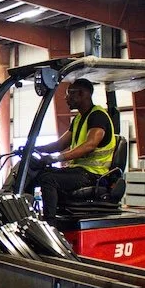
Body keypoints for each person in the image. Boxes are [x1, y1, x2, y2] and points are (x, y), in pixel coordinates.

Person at [29, 78, 115, 220]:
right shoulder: (78, 119)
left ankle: (50, 224)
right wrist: (33, 148)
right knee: (35, 173)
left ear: (81, 94)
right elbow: (60, 144)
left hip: (93, 174)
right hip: (78, 171)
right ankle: (28, 216)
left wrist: (58, 158)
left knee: (49, 179)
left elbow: (90, 145)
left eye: (69, 94)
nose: (66, 97)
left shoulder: (98, 116)